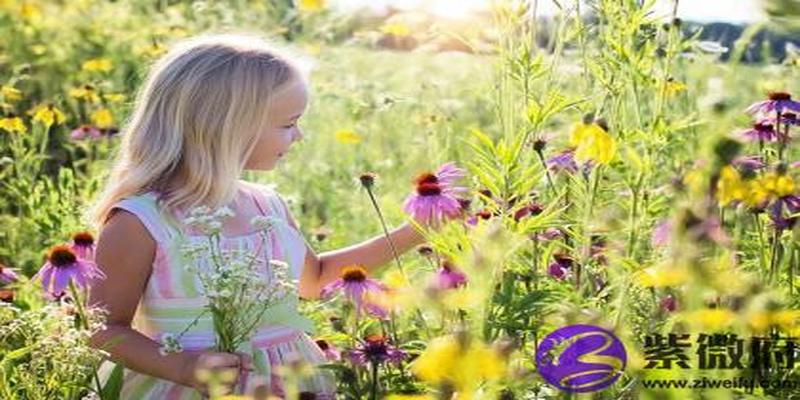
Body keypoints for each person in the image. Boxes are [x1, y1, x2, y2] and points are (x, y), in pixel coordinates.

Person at [86, 33, 427, 399]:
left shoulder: (268, 205)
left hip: (290, 381)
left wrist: (417, 230)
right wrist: (183, 367)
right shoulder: (142, 220)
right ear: (225, 128)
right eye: (287, 124)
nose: (299, 136)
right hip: (184, 388)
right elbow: (104, 329)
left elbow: (315, 281)